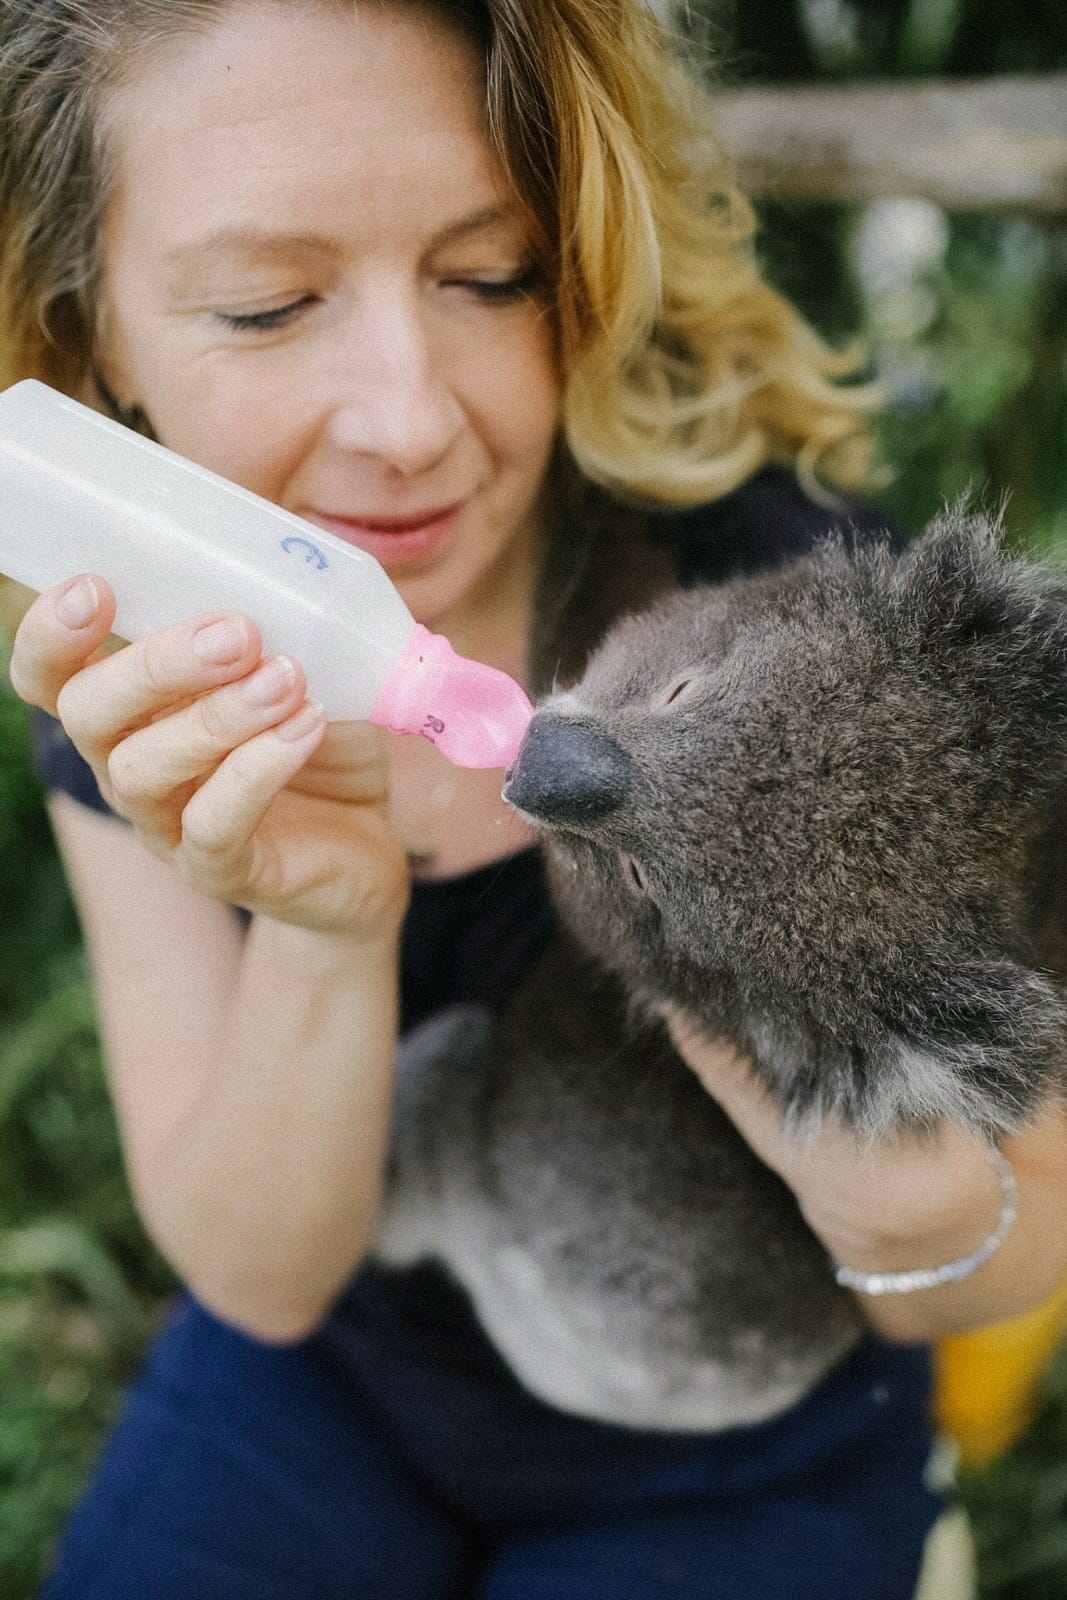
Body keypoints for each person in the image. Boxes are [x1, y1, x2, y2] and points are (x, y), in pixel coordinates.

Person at [3, 2, 1066, 1596]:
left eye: (490, 275)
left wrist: (841, 1082)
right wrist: (325, 926)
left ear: (581, 255)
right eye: (269, 304)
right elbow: (264, 1287)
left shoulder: (793, 605)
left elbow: (1016, 1251)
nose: (411, 418)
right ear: (95, 349)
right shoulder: (144, 694)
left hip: (748, 1440)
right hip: (333, 1387)